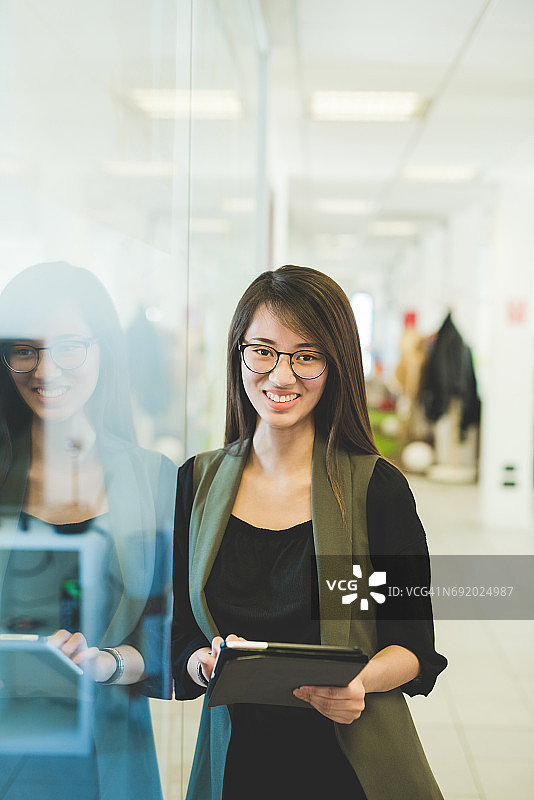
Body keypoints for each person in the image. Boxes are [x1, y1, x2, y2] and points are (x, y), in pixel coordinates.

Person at [172, 265, 447, 800]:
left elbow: (414, 647)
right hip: (235, 764)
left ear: (336, 364)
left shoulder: (376, 490)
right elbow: (180, 630)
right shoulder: (196, 484)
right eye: (264, 350)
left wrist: (361, 681)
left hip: (346, 764)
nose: (281, 376)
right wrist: (199, 661)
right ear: (238, 354)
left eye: (307, 355)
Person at [0, 262, 176, 800]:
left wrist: (109, 663)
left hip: (112, 755)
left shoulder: (154, 479)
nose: (45, 369)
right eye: (24, 349)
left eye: (69, 346)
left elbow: (174, 634)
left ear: (104, 350)